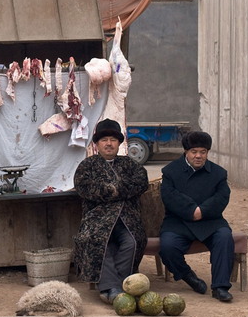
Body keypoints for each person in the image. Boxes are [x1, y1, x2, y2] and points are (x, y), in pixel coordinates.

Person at [73, 118, 150, 303]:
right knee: (96, 240)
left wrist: (110, 189)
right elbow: (86, 189)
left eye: (113, 140)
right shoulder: (87, 166)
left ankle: (117, 286)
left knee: (134, 241)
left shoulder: (130, 165)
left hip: (126, 217)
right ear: (97, 144)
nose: (109, 144)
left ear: (119, 143)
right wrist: (120, 189)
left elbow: (141, 183)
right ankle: (111, 287)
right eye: (104, 140)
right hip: (97, 219)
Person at [159, 130, 235, 302]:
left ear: (207, 152)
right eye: (194, 152)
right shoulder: (170, 171)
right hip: (178, 221)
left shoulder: (218, 173)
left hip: (210, 221)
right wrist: (190, 210)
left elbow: (222, 197)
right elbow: (169, 196)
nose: (198, 156)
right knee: (168, 246)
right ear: (186, 152)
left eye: (203, 152)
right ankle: (189, 277)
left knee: (224, 237)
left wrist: (202, 211)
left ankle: (220, 286)